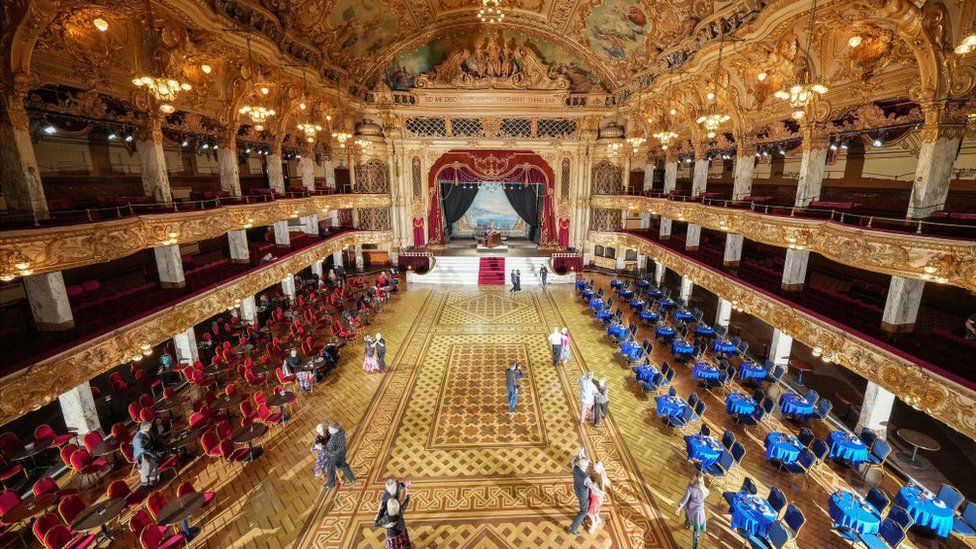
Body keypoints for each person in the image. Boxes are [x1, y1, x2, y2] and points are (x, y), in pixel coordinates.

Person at [676, 473, 710, 548]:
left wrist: (679, 508)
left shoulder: (690, 488)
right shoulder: (706, 491)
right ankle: (695, 546)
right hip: (699, 512)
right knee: (696, 529)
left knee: (687, 517)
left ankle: (687, 524)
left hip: (690, 508)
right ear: (702, 481)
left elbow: (685, 499)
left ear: (694, 479)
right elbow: (705, 496)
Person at [132, 421, 168, 488]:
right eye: (149, 427)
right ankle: (152, 483)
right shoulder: (138, 439)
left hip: (151, 451)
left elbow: (157, 439)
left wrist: (165, 445)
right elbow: (144, 451)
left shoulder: (148, 431)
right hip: (143, 457)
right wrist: (156, 455)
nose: (151, 428)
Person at [324, 422, 356, 489]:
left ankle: (330, 484)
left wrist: (321, 448)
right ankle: (352, 479)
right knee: (343, 465)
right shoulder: (341, 429)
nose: (329, 431)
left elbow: (329, 451)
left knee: (330, 469)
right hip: (342, 451)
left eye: (330, 430)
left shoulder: (332, 440)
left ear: (335, 430)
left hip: (334, 456)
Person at [567, 453, 592, 535]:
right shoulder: (586, 478)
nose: (588, 464)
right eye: (587, 463)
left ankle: (581, 520)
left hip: (577, 490)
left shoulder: (575, 468)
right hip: (583, 496)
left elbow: (573, 460)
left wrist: (580, 454)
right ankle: (573, 528)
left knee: (583, 509)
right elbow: (594, 489)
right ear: (585, 466)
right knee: (584, 512)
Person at [587, 461, 610, 533]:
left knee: (590, 513)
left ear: (599, 468)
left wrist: (591, 486)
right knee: (595, 511)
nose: (593, 468)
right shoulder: (599, 474)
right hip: (594, 496)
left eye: (595, 467)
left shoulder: (601, 479)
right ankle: (598, 519)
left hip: (596, 498)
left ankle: (594, 524)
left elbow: (602, 492)